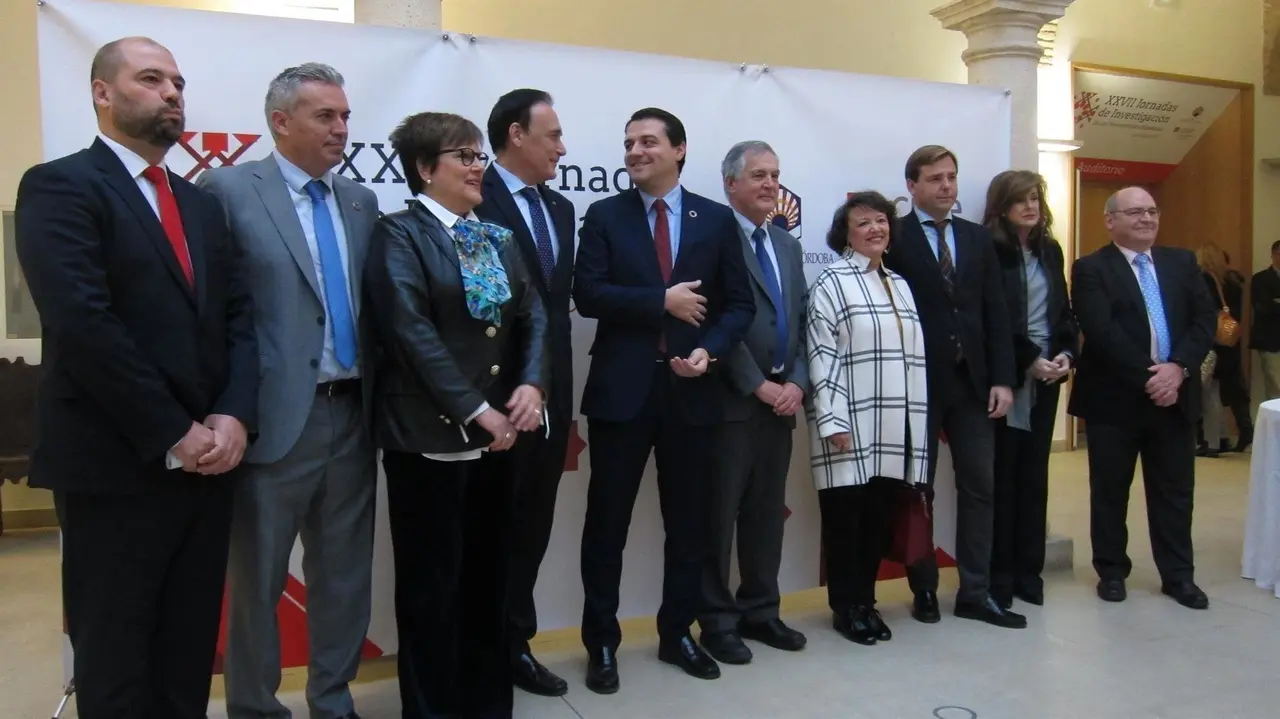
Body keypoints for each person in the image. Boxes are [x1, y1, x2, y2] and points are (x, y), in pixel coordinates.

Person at [13, 36, 257, 718]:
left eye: (178, 82)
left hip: (209, 463)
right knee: (116, 654)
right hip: (117, 461)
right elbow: (83, 322)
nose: (172, 93)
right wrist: (173, 429)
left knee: (185, 651)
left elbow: (238, 317)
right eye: (152, 79)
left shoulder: (200, 204)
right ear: (102, 92)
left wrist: (233, 415)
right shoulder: (59, 185)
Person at [194, 63, 379, 719]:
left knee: (343, 577)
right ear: (280, 121)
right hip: (271, 423)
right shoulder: (227, 189)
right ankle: (253, 705)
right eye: (325, 116)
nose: (341, 128)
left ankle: (332, 699)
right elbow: (209, 311)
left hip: (354, 416)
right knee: (258, 583)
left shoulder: (361, 202)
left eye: (346, 116)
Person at [364, 111, 548, 719]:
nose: (478, 168)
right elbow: (409, 333)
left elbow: (534, 315)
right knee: (430, 589)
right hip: (429, 437)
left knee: (488, 579)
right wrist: (475, 409)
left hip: (501, 436)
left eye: (479, 157)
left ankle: (487, 705)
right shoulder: (399, 234)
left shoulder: (494, 234)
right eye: (463, 157)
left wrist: (531, 386)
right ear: (424, 168)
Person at [574, 107, 754, 691]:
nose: (635, 151)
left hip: (692, 391)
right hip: (622, 392)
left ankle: (678, 634)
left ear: (679, 150)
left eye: (648, 141)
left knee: (690, 525)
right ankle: (601, 643)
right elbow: (589, 294)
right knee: (607, 525)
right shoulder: (604, 215)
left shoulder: (716, 219)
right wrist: (662, 301)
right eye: (628, 143)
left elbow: (738, 307)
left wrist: (712, 352)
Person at [881, 145, 1022, 629]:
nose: (946, 186)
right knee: (919, 488)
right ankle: (923, 588)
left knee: (980, 485)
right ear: (912, 186)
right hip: (917, 384)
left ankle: (976, 591)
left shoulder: (977, 238)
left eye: (952, 177)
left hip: (974, 384)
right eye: (935, 178)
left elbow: (996, 313)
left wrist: (1003, 377)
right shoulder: (893, 237)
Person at [473, 88, 575, 697]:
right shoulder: (473, 199)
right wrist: (507, 392)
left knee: (533, 526)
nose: (563, 147)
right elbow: (486, 309)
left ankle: (515, 644)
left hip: (550, 395)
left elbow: (553, 311)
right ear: (516, 135)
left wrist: (546, 387)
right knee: (491, 528)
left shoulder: (560, 209)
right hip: (495, 402)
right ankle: (483, 649)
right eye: (553, 135)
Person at [1069, 186, 1216, 610]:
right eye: (1135, 212)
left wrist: (1179, 369)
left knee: (1174, 491)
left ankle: (1178, 576)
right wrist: (1152, 377)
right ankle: (1112, 571)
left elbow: (1204, 320)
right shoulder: (1091, 268)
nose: (1146, 219)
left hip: (1175, 397)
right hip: (1115, 400)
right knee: (1111, 490)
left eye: (1151, 211)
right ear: (1110, 220)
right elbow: (1102, 330)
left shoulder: (1181, 263)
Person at [697, 141, 809, 666]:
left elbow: (803, 321)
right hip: (731, 402)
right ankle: (717, 623)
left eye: (776, 175)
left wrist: (797, 384)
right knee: (717, 516)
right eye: (759, 175)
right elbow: (716, 317)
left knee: (768, 514)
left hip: (782, 403)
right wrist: (755, 382)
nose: (770, 184)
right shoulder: (714, 236)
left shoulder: (785, 243)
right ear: (730, 184)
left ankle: (761, 611)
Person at [806, 191, 929, 646]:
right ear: (846, 234)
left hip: (895, 427)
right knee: (846, 523)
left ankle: (867, 601)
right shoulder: (832, 281)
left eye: (882, 221)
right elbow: (822, 355)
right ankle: (846, 606)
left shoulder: (900, 283)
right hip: (849, 425)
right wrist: (833, 421)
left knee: (877, 521)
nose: (876, 228)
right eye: (864, 223)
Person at [982, 170, 1078, 609]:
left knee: (1035, 476)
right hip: (1007, 376)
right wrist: (1027, 360)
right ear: (1002, 206)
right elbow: (990, 318)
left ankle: (1029, 571)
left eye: (1036, 198)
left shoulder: (1049, 250)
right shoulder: (989, 251)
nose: (1031, 206)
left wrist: (1065, 357)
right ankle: (1000, 574)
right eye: (1021, 199)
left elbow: (1064, 314)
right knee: (1005, 478)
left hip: (1046, 377)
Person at [1193, 243, 1252, 455]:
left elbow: (1202, 311)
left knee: (1207, 394)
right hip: (1228, 344)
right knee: (1216, 392)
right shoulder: (1232, 281)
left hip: (1210, 343)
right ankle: (1221, 437)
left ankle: (1211, 442)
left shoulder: (1204, 280)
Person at [1249, 240, 1280, 400]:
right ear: (1273, 255)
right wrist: (1274, 304)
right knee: (1276, 385)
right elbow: (1263, 306)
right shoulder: (1261, 279)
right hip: (1271, 340)